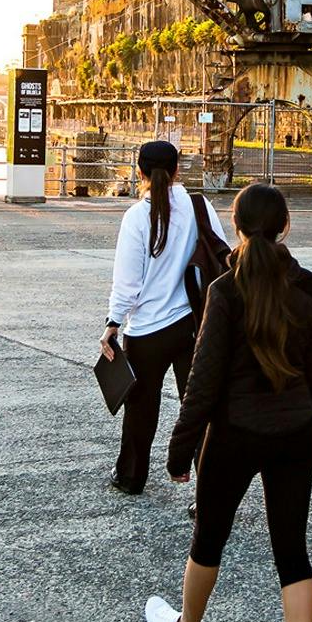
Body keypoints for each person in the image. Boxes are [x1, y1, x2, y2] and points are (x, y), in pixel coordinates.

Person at [144, 184, 312, 622]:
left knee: (210, 538)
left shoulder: (225, 291)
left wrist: (180, 453)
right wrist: (298, 414)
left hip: (233, 434)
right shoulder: (311, 288)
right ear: (286, 225)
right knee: (292, 553)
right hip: (296, 434)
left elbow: (203, 382)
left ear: (239, 226)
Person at [101, 140, 228, 495]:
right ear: (177, 169)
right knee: (199, 408)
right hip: (193, 325)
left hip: (147, 331)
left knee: (140, 408)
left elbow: (127, 282)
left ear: (139, 171)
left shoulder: (136, 217)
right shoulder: (200, 207)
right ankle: (208, 494)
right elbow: (218, 258)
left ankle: (131, 476)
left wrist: (113, 323)